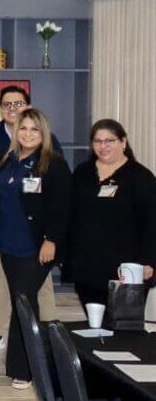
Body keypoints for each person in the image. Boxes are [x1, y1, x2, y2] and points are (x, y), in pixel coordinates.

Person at [0, 85, 60, 354]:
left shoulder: (48, 143)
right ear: (0, 109)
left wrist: (51, 237)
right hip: (2, 229)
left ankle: (49, 334)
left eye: (18, 103)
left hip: (36, 234)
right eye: (6, 104)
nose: (12, 109)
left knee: (40, 285)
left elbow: (58, 195)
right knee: (1, 280)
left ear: (28, 106)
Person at [0, 108, 71, 389]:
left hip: (36, 248)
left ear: (43, 133)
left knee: (26, 304)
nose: (27, 134)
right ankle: (17, 365)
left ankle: (27, 369)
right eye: (22, 128)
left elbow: (63, 207)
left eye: (34, 129)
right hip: (9, 244)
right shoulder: (9, 160)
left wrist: (52, 239)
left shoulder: (53, 164)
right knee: (20, 303)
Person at [65, 119, 156, 309]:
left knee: (123, 329)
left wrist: (148, 262)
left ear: (123, 142)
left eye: (110, 141)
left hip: (126, 271)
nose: (103, 146)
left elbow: (152, 223)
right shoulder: (83, 172)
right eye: (97, 141)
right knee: (94, 327)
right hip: (87, 268)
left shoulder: (141, 177)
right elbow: (70, 214)